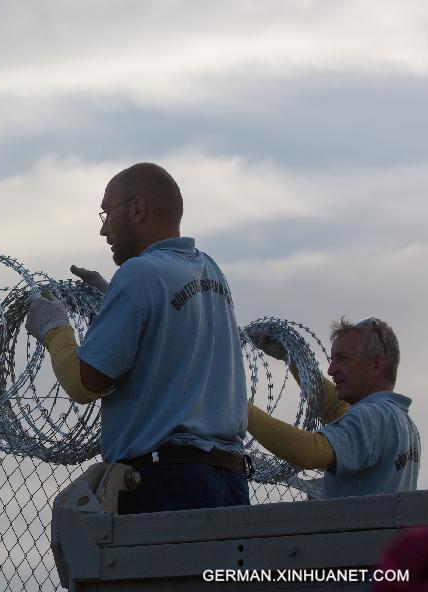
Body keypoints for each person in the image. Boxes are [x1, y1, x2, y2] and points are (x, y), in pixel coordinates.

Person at [25, 162, 249, 514]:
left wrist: (53, 327)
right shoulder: (210, 270)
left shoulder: (140, 274)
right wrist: (112, 297)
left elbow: (85, 382)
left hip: (165, 482)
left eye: (106, 213)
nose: (103, 230)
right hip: (229, 478)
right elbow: (167, 340)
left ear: (137, 209)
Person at [248, 317, 420, 498]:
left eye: (343, 359)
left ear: (377, 364)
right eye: (333, 360)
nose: (331, 370)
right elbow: (336, 409)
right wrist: (290, 358)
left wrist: (239, 407)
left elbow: (311, 451)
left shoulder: (371, 417)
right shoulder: (400, 421)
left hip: (358, 525)